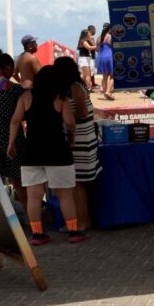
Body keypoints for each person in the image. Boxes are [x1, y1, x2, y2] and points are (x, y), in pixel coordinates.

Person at [7, 65, 84, 245]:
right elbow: (70, 122)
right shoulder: (61, 98)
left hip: (32, 152)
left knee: (33, 195)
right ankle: (73, 231)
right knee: (65, 195)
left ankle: (37, 234)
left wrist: (11, 143)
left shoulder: (26, 97)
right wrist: (72, 136)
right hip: (58, 151)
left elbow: (15, 120)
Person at [54, 56, 100, 231]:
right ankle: (82, 219)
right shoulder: (77, 86)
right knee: (78, 183)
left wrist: (65, 119)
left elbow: (81, 111)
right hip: (83, 138)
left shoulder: (74, 87)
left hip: (80, 139)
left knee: (77, 183)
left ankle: (81, 222)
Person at [96, 23, 116, 100]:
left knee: (104, 77)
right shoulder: (110, 36)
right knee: (112, 76)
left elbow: (97, 48)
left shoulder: (98, 37)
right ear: (110, 29)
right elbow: (113, 46)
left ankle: (105, 93)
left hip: (100, 56)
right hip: (109, 56)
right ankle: (108, 92)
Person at [78, 26, 98, 90]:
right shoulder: (83, 41)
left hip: (85, 59)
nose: (90, 35)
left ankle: (80, 86)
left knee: (85, 75)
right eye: (88, 34)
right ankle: (88, 88)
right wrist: (98, 46)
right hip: (84, 59)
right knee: (88, 75)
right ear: (85, 35)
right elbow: (89, 48)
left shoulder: (83, 40)